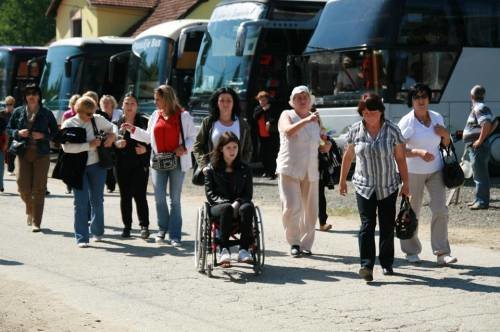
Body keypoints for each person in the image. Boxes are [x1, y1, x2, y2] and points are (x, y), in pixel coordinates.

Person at [339, 92, 409, 281]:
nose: (368, 115)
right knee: (367, 225)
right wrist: (342, 181)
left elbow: (400, 159)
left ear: (381, 111)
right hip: (364, 185)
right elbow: (348, 156)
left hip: (388, 185)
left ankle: (386, 263)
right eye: (364, 112)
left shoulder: (392, 130)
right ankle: (366, 265)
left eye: (372, 111)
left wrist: (406, 184)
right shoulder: (355, 130)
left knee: (387, 226)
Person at [122, 85, 197, 247]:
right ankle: (162, 230)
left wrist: (184, 148)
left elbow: (192, 137)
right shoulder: (156, 115)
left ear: (167, 98)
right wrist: (133, 129)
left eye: (157, 99)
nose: (155, 102)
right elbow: (149, 137)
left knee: (174, 200)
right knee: (159, 198)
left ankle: (175, 235)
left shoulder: (183, 116)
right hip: (157, 161)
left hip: (177, 161)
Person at [398, 83, 457, 266]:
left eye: (424, 96)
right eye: (417, 97)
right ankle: (411, 251)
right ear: (412, 101)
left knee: (440, 209)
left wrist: (446, 135)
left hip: (436, 170)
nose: (421, 100)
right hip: (412, 171)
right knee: (412, 211)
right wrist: (418, 153)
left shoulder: (437, 117)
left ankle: (442, 252)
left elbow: (446, 143)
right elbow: (399, 150)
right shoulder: (407, 122)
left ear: (429, 99)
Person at [276, 85, 330, 257]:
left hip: (310, 169)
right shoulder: (287, 114)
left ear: (310, 100)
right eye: (298, 97)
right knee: (292, 207)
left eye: (305, 97)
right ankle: (294, 242)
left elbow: (323, 143)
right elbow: (288, 131)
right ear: (292, 101)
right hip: (289, 167)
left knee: (311, 210)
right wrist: (307, 121)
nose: (302, 100)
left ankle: (306, 244)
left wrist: (326, 145)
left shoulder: (317, 119)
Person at [61, 96, 116, 248]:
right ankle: (81, 237)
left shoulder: (97, 119)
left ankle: (97, 232)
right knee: (80, 202)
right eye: (88, 114)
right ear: (79, 111)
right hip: (77, 168)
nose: (92, 116)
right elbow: (66, 148)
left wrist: (112, 135)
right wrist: (89, 145)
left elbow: (113, 127)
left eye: (93, 112)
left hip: (97, 165)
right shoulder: (69, 123)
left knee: (97, 200)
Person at [6, 84, 58, 231]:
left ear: (39, 96)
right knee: (22, 187)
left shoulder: (46, 113)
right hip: (22, 153)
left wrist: (43, 135)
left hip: (41, 155)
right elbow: (9, 129)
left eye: (35, 93)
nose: (32, 96)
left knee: (39, 189)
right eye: (29, 93)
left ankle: (37, 222)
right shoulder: (18, 111)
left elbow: (55, 132)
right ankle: (30, 208)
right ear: (25, 96)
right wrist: (17, 133)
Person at [205, 131, 254, 265]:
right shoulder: (211, 169)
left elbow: (248, 194)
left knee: (248, 207)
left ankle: (244, 250)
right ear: (221, 149)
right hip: (218, 207)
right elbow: (210, 195)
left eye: (235, 147)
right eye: (228, 148)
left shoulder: (245, 169)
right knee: (226, 208)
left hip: (239, 205)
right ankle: (224, 249)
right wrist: (228, 204)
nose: (232, 151)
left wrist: (237, 202)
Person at [114, 93, 151, 239]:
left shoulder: (144, 122)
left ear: (137, 106)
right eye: (126, 103)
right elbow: (111, 143)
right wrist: (117, 144)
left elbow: (154, 142)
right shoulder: (117, 122)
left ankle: (144, 226)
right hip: (121, 164)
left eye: (132, 104)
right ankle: (127, 227)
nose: (129, 107)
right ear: (122, 106)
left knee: (140, 195)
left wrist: (145, 150)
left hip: (139, 164)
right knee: (125, 196)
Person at [193, 87, 253, 175]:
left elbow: (248, 149)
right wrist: (204, 166)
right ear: (216, 103)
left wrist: (242, 166)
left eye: (229, 101)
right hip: (213, 172)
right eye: (222, 101)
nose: (225, 104)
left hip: (236, 172)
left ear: (234, 103)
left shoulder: (242, 124)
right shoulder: (208, 122)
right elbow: (197, 146)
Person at [463, 85, 494, 210]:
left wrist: (479, 141)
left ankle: (482, 202)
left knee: (480, 175)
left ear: (472, 96)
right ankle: (478, 199)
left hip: (478, 147)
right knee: (478, 174)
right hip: (477, 146)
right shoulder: (481, 107)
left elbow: (486, 124)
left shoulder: (479, 108)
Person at [253, 91, 280, 179]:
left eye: (264, 100)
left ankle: (273, 173)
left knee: (272, 154)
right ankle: (266, 170)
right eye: (260, 100)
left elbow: (275, 118)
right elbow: (255, 116)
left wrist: (270, 122)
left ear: (267, 100)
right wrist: (264, 109)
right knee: (263, 154)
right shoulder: (258, 108)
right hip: (261, 135)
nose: (262, 102)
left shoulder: (272, 108)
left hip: (271, 135)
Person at [98, 95, 122, 193]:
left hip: (118, 140)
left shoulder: (119, 113)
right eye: (103, 102)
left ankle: (122, 184)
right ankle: (110, 185)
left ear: (112, 103)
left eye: (107, 102)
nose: (105, 104)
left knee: (119, 164)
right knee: (107, 163)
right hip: (106, 142)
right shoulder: (99, 115)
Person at [61, 94, 81, 194]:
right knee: (68, 166)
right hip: (69, 143)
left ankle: (75, 185)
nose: (76, 106)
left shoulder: (83, 114)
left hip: (80, 144)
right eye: (74, 103)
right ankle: (68, 186)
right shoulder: (67, 114)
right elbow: (62, 129)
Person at [1, 96, 16, 176]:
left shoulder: (16, 113)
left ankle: (10, 169)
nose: (8, 106)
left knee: (11, 153)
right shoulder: (1, 113)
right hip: (2, 136)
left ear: (13, 104)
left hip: (12, 136)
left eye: (10, 104)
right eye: (7, 104)